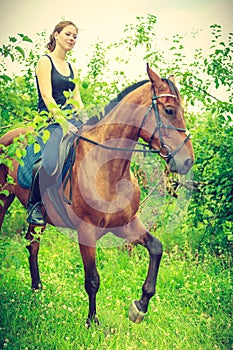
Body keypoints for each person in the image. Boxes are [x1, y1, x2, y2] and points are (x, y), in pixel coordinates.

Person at [27, 20, 84, 226]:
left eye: (75, 36)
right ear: (56, 35)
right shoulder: (45, 62)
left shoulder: (73, 68)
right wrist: (63, 123)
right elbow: (47, 96)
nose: (71, 39)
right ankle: (34, 205)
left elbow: (77, 99)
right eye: (68, 34)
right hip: (49, 121)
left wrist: (86, 120)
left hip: (72, 121)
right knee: (49, 162)